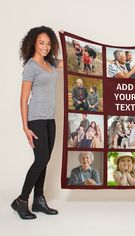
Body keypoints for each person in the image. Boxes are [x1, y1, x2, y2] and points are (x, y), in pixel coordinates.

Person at [11, 26, 63, 220]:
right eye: (42, 43)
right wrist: (25, 127)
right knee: (40, 160)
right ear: (33, 43)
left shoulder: (50, 63)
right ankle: (21, 201)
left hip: (50, 118)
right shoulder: (31, 66)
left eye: (49, 44)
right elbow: (23, 99)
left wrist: (67, 40)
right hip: (36, 119)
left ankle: (39, 200)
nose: (45, 47)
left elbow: (69, 60)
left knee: (45, 160)